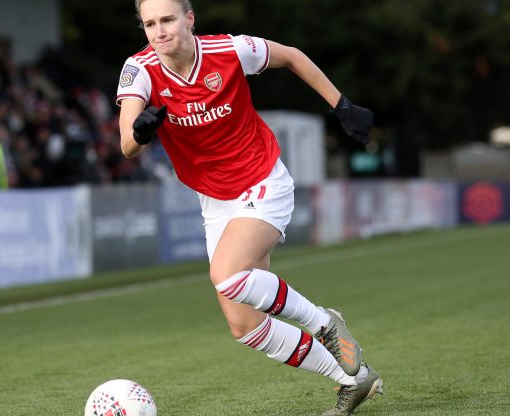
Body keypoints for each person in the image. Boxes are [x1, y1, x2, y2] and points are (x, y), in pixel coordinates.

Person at [116, 1, 382, 415]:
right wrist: (141, 132)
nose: (159, 31)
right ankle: (353, 378)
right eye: (150, 23)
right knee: (244, 325)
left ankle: (325, 323)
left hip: (263, 180)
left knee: (226, 274)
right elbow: (127, 146)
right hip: (215, 200)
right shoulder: (140, 70)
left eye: (167, 19)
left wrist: (340, 105)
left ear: (190, 19)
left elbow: (291, 57)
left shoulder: (229, 50)